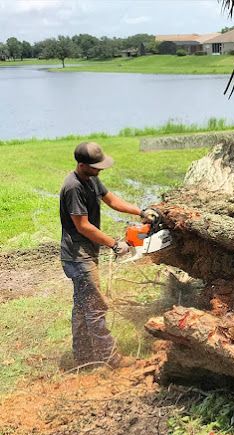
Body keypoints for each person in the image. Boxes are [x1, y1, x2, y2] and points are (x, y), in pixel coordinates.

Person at [59, 141, 160, 368]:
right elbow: (83, 226)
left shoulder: (91, 178)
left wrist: (141, 211)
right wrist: (115, 244)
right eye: (96, 167)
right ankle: (111, 358)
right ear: (82, 165)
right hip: (78, 256)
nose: (100, 170)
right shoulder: (73, 186)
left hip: (85, 253)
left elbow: (112, 200)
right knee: (95, 307)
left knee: (83, 306)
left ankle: (83, 356)